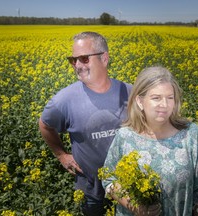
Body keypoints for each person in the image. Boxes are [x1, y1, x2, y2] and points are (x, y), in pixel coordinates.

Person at [102, 66, 198, 216]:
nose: (164, 104)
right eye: (156, 98)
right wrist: (135, 207)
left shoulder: (191, 135)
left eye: (170, 98)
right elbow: (109, 179)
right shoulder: (125, 137)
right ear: (140, 101)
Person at [39, 31, 132, 216]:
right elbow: (45, 125)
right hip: (90, 187)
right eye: (73, 60)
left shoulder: (130, 91)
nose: (77, 65)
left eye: (83, 58)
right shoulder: (64, 100)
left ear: (104, 58)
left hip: (128, 182)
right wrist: (61, 155)